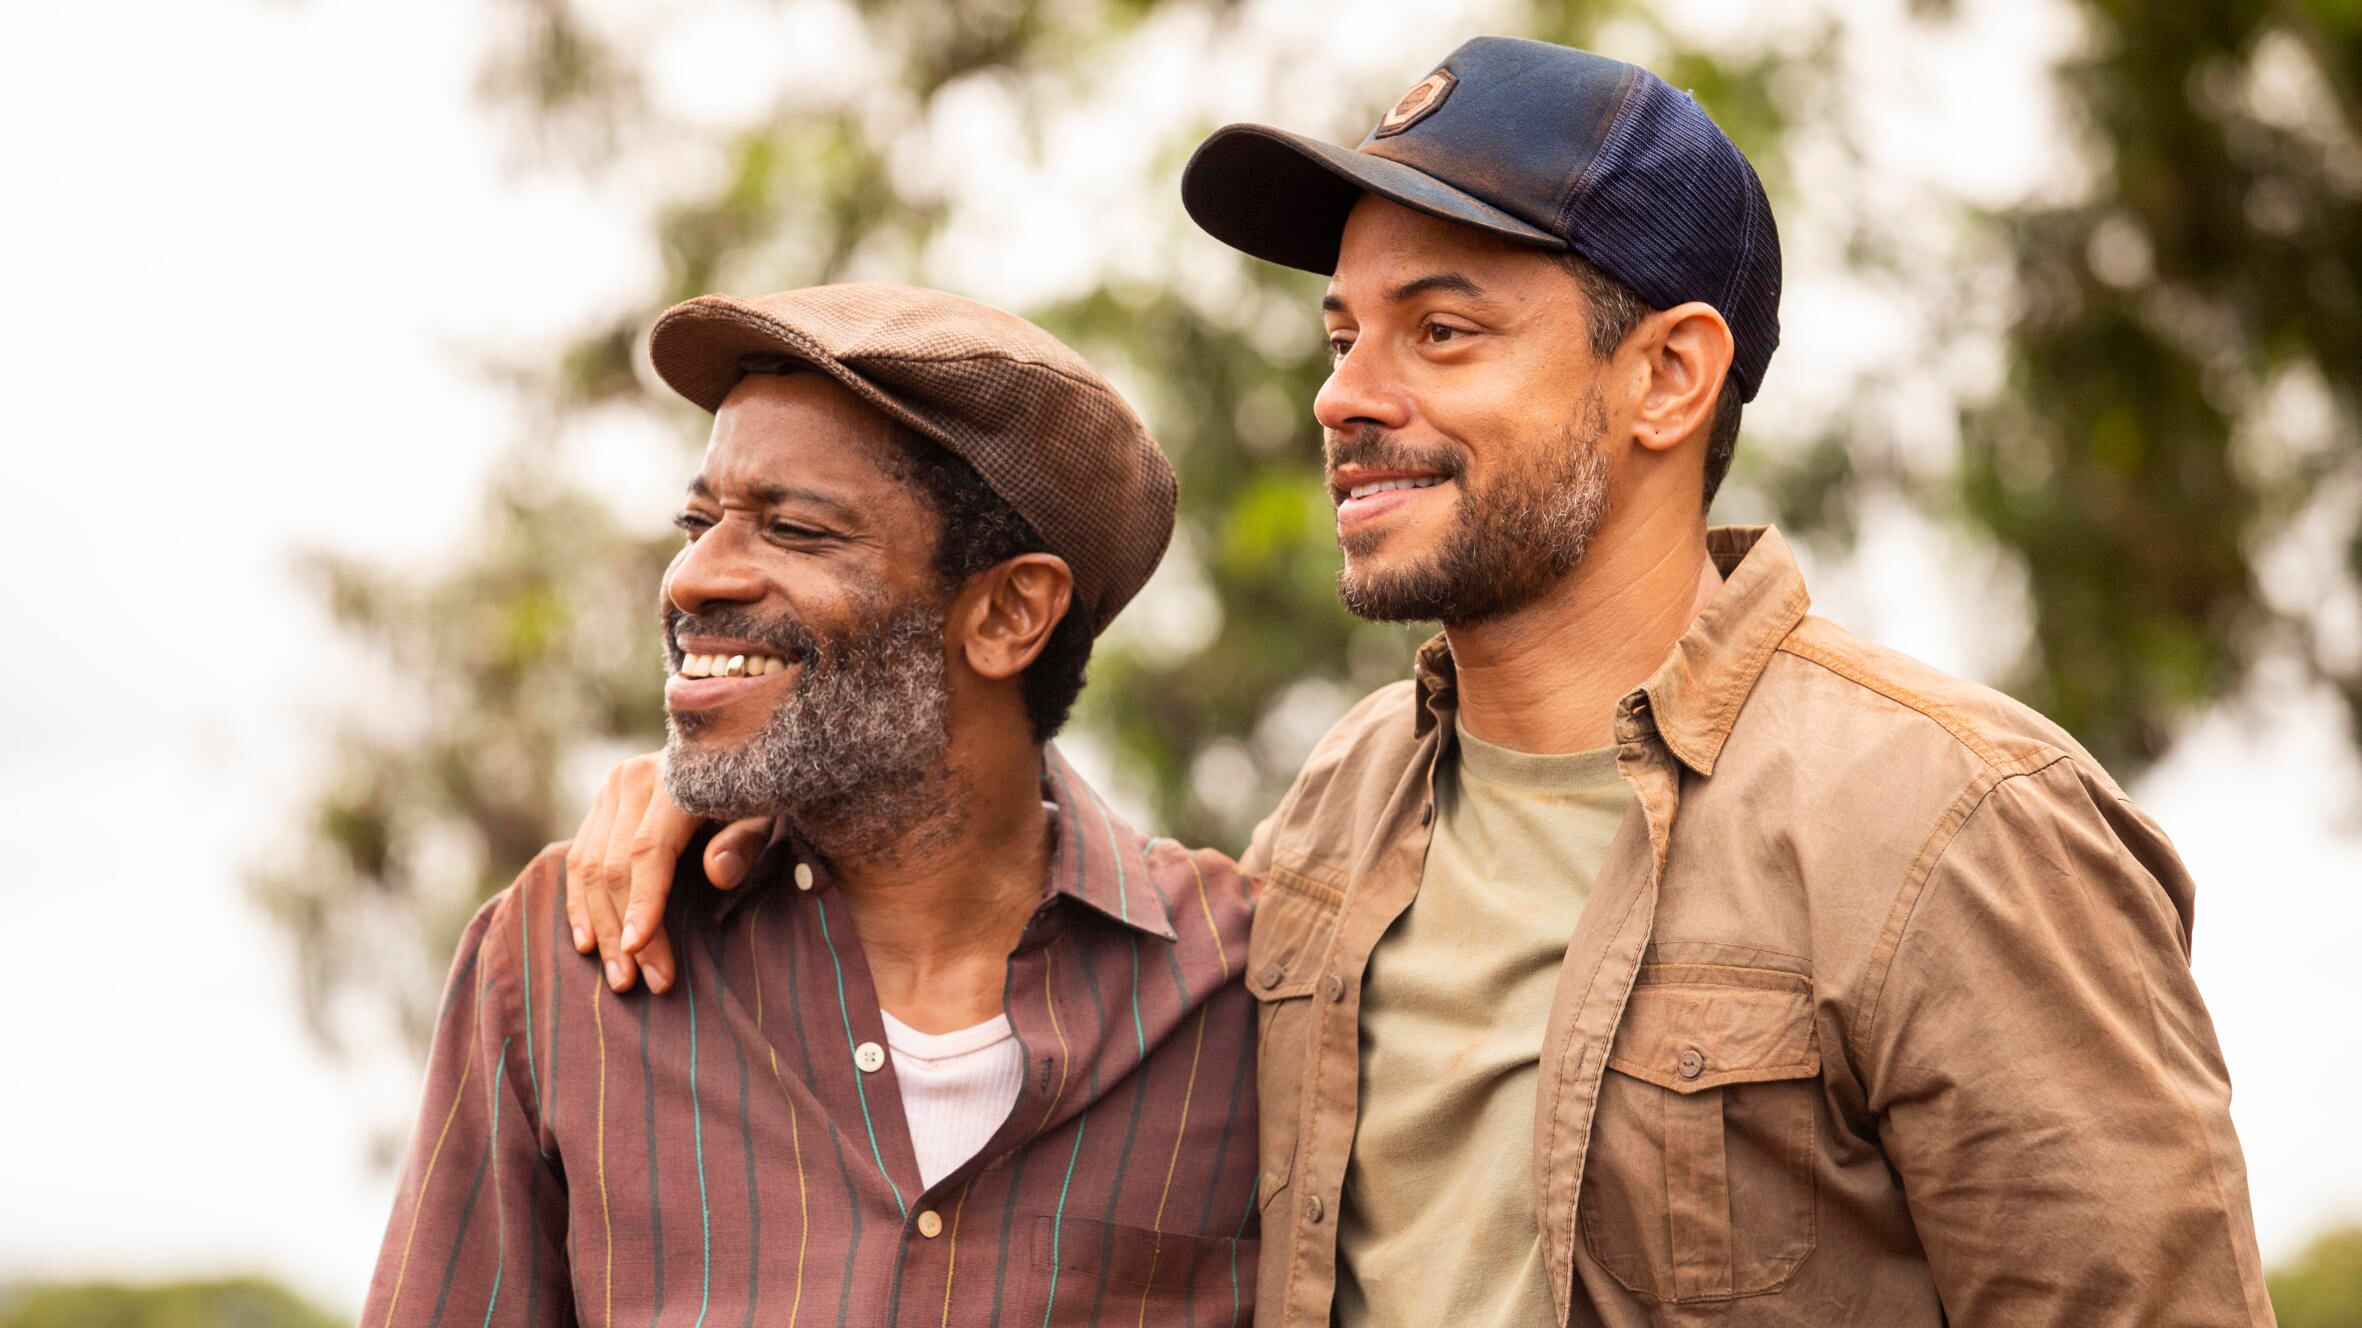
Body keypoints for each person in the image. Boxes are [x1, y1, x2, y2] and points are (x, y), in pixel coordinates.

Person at [569, 37, 2275, 1328]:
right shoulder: (1336, 816)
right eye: (1340, 334)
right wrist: (735, 792)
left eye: (1440, 332)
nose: (1345, 396)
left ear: (1668, 374)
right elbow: (1048, 940)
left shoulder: (1948, 824)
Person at [364, 283, 1261, 1327]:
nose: (693, 576)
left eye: (791, 528)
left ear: (1010, 611)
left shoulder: (1256, 989)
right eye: (698, 521)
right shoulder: (560, 963)